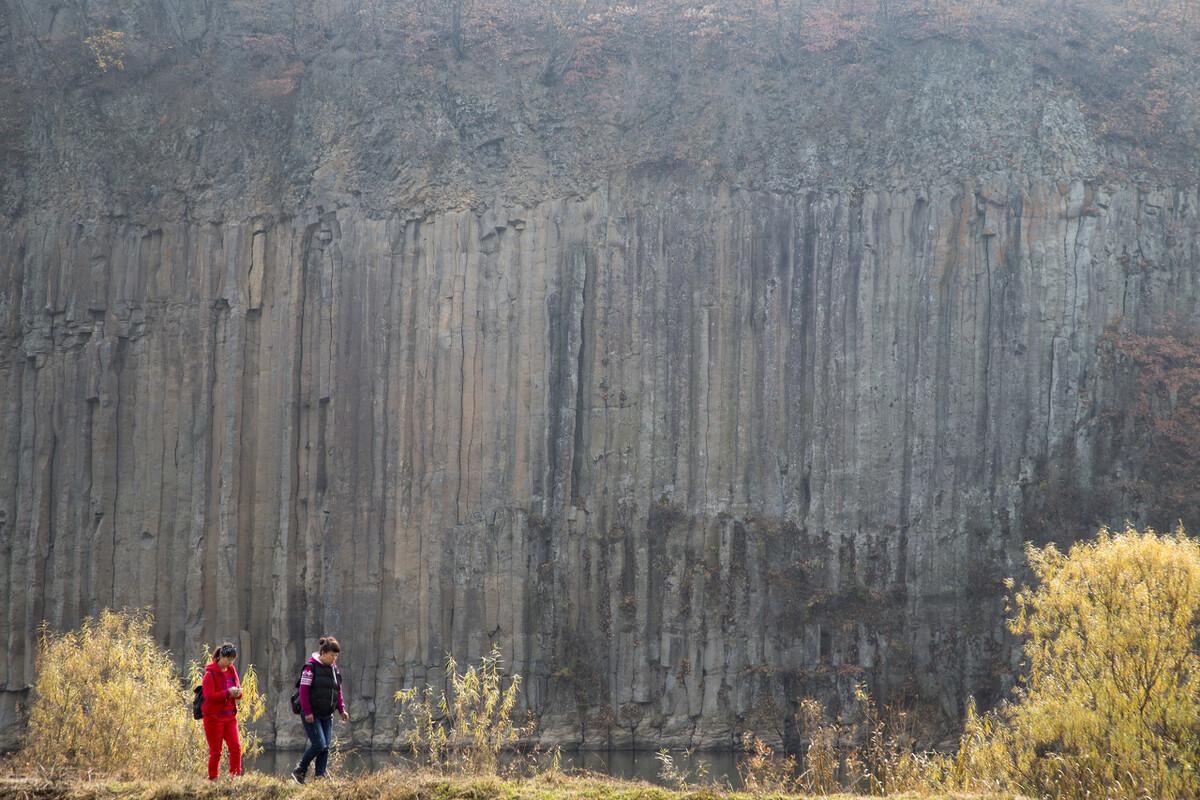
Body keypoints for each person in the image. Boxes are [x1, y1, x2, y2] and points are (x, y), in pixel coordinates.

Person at [292, 636, 348, 784]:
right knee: (319, 744)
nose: (334, 658)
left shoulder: (334, 669)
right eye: (332, 655)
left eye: (336, 656)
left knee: (325, 747)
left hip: (327, 715)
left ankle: (320, 777)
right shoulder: (310, 668)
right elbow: (303, 692)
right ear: (323, 653)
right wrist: (308, 712)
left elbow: (338, 691)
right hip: (312, 714)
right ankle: (299, 770)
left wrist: (341, 709)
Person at [201, 642, 243, 780]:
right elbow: (209, 697)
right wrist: (227, 693)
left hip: (230, 717)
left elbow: (238, 691)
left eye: (232, 659)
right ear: (220, 657)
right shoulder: (209, 675)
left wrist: (238, 693)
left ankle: (235, 776)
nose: (230, 662)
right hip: (214, 718)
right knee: (216, 752)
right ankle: (213, 778)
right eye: (228, 659)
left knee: (236, 747)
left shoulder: (232, 670)